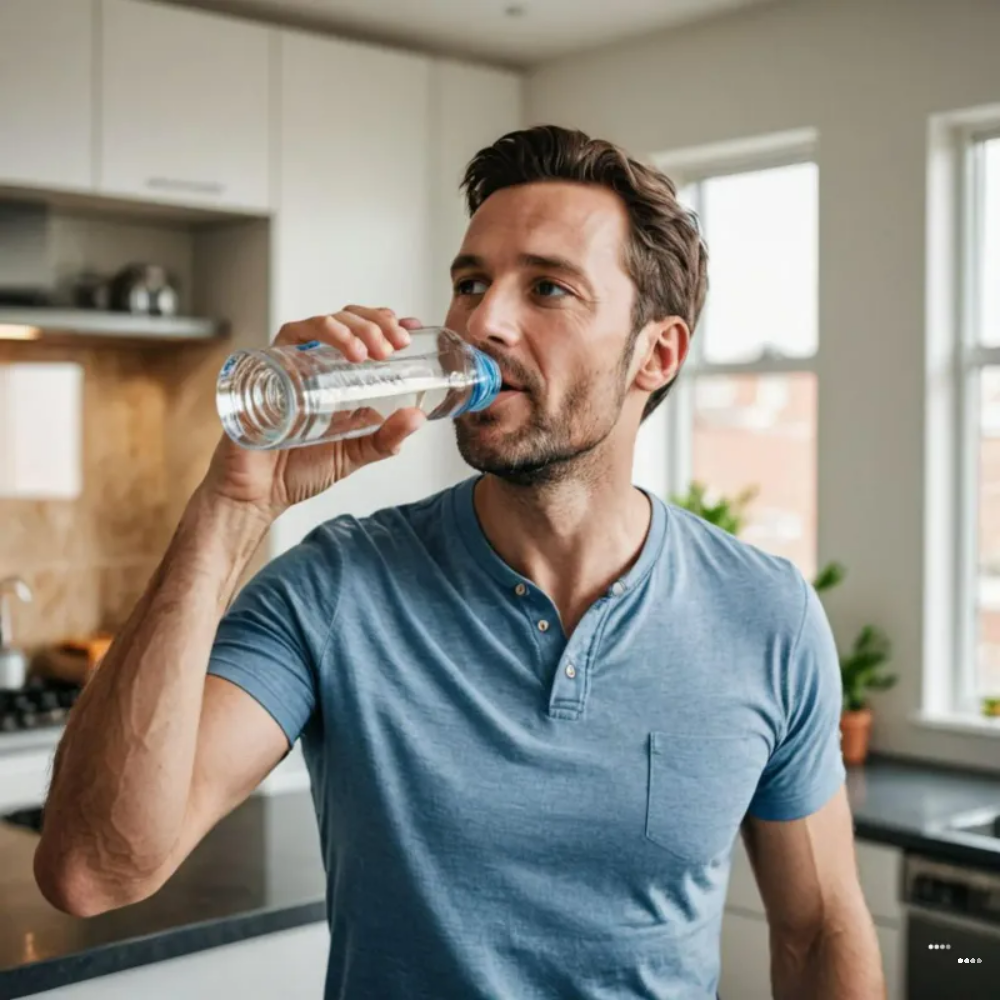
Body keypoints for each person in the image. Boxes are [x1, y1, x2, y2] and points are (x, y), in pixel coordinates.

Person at [34, 125, 886, 999]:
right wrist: (229, 511)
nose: (482, 323)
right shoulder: (337, 590)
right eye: (471, 283)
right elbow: (93, 871)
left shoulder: (764, 612)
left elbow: (820, 930)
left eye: (547, 288)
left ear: (656, 353)